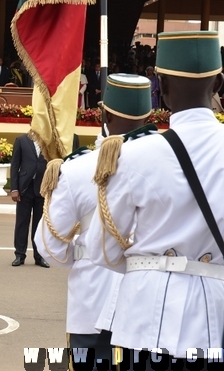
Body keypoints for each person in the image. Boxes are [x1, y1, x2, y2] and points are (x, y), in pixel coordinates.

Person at [87, 31, 224, 367]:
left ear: (159, 86)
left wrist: (149, 264)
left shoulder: (135, 154)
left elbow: (102, 248)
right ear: (218, 84)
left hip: (144, 315)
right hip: (215, 317)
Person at [35, 74, 154, 369]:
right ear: (150, 115)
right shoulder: (170, 163)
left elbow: (48, 245)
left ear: (104, 114)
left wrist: (82, 255)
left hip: (91, 299)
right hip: (151, 306)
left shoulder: (77, 169)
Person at [10, 134, 49, 268]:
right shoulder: (21, 140)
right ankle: (19, 255)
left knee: (40, 225)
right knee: (22, 222)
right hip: (24, 188)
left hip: (42, 188)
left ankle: (39, 256)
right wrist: (14, 188)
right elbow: (15, 165)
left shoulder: (48, 140)